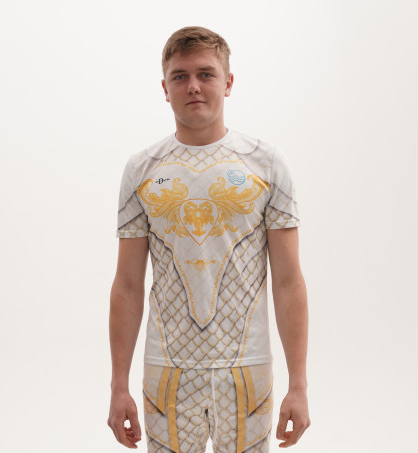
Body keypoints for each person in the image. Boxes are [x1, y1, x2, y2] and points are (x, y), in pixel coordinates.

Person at [108, 26, 310, 452]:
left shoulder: (267, 164)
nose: (193, 86)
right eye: (180, 76)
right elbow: (127, 284)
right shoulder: (141, 170)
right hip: (167, 371)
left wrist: (299, 385)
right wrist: (118, 386)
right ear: (165, 88)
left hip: (247, 371)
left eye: (206, 74)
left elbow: (289, 281)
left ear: (228, 82)